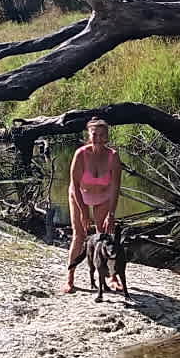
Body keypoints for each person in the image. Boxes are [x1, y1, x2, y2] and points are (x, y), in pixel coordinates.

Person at [65, 118, 125, 294]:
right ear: (88, 135)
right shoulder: (81, 154)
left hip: (103, 197)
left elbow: (115, 187)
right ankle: (69, 278)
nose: (97, 138)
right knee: (79, 235)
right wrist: (84, 212)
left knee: (104, 236)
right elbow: (75, 184)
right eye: (94, 134)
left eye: (101, 135)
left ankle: (112, 276)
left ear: (106, 137)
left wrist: (111, 214)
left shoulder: (113, 156)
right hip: (79, 195)